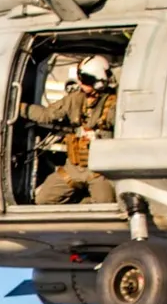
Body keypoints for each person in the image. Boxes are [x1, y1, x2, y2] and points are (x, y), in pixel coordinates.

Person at [18, 54, 117, 205]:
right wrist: (20, 108)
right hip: (73, 168)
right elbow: (47, 115)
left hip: (100, 171)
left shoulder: (114, 105)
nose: (80, 83)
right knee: (43, 200)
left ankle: (84, 204)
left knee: (106, 205)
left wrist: (101, 138)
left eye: (85, 79)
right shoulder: (75, 99)